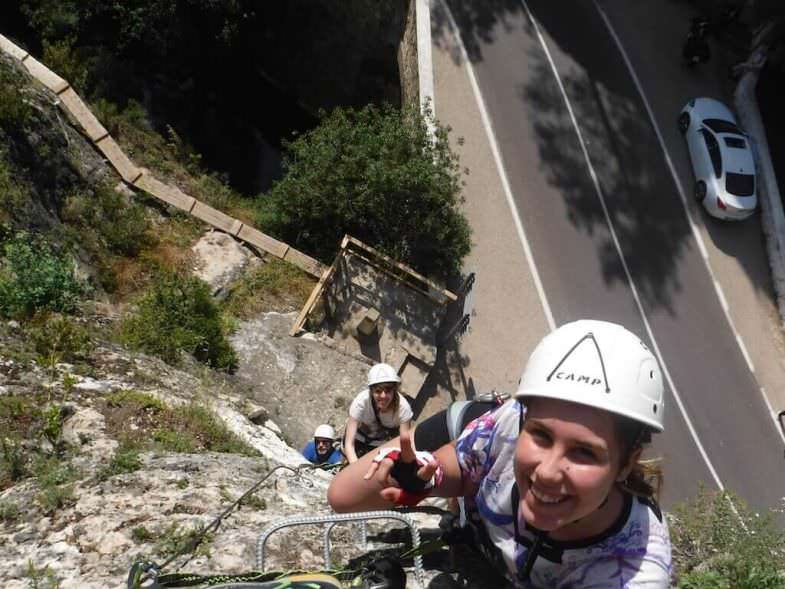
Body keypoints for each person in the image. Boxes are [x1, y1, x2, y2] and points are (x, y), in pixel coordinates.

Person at [328, 320, 672, 588]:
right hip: (471, 424)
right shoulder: (511, 423)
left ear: (627, 461)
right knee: (343, 493)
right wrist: (419, 477)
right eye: (541, 435)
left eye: (584, 453)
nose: (549, 472)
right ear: (524, 420)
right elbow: (348, 495)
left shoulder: (630, 573)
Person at [343, 362, 413, 464]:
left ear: (394, 390)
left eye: (388, 390)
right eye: (378, 391)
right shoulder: (361, 402)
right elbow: (349, 444)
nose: (383, 396)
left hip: (380, 445)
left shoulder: (403, 409)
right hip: (358, 438)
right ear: (371, 391)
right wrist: (355, 467)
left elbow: (404, 443)